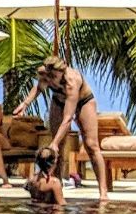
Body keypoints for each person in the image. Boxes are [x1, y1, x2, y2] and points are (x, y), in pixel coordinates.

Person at [41, 57, 109, 201]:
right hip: (59, 101)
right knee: (57, 147)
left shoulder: (72, 81)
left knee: (91, 145)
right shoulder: (45, 73)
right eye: (49, 75)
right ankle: (56, 187)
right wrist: (25, 103)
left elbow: (67, 118)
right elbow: (38, 88)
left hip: (84, 102)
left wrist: (54, 142)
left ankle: (103, 191)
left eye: (54, 76)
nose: (51, 79)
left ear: (62, 71)